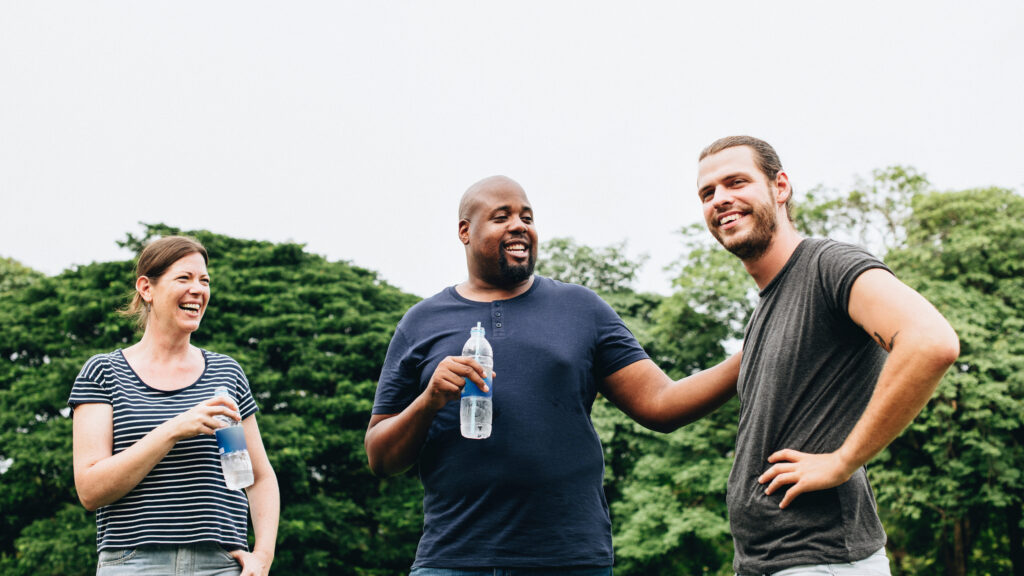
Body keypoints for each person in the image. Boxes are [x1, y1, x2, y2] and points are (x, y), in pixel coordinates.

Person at [365, 175, 741, 575]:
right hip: (453, 560)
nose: (519, 225)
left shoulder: (581, 309)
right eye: (501, 216)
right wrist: (429, 401)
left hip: (569, 560)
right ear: (465, 232)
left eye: (527, 216)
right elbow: (380, 457)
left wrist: (753, 352)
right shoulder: (421, 323)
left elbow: (662, 405)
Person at [696, 136, 960, 574]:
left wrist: (842, 461)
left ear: (780, 188)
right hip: (769, 561)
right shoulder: (764, 309)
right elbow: (666, 404)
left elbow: (931, 341)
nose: (721, 199)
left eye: (736, 182)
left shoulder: (827, 265)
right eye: (708, 193)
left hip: (823, 560)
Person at [69, 236, 280, 576]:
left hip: (220, 565)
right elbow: (90, 490)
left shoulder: (226, 374)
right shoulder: (104, 373)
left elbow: (254, 476)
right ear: (146, 288)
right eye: (184, 278)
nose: (198, 289)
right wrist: (172, 430)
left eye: (204, 280)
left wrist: (263, 556)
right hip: (132, 563)